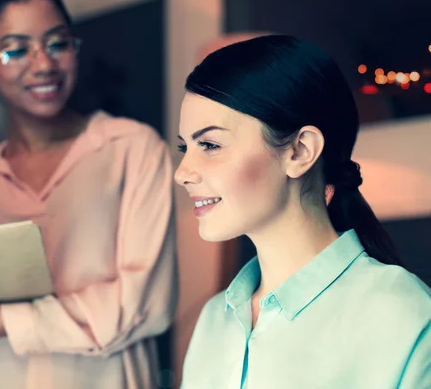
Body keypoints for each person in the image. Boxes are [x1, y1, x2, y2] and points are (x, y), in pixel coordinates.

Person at [0, 0, 178, 388]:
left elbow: (145, 307)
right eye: (15, 50)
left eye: (57, 43)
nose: (43, 64)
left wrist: (3, 320)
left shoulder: (132, 150)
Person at [175, 35, 431, 388]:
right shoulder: (214, 319)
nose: (182, 173)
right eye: (184, 146)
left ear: (299, 151)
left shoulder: (404, 314)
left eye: (210, 145)